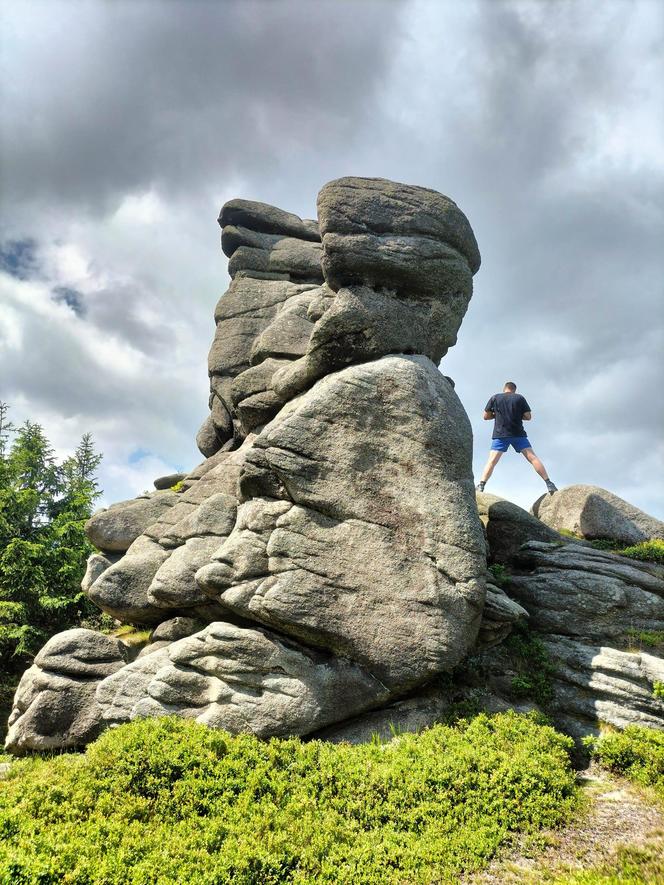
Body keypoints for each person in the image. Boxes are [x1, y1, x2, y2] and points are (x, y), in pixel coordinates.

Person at [476, 381, 557, 494]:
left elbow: (485, 416)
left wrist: (497, 415)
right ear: (514, 390)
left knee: (491, 461)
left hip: (500, 435)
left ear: (504, 388)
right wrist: (517, 414)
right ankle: (549, 483)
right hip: (518, 434)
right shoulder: (519, 398)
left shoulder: (495, 398)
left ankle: (481, 485)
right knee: (533, 458)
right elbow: (528, 417)